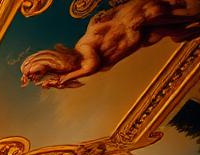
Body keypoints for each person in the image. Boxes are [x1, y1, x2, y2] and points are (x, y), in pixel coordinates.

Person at [20, 0, 200, 89]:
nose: (33, 76)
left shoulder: (83, 49)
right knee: (178, 34)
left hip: (137, 19)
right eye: (32, 76)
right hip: (141, 30)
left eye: (30, 71)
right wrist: (60, 80)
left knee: (187, 15)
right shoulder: (78, 60)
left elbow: (91, 66)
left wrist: (64, 79)